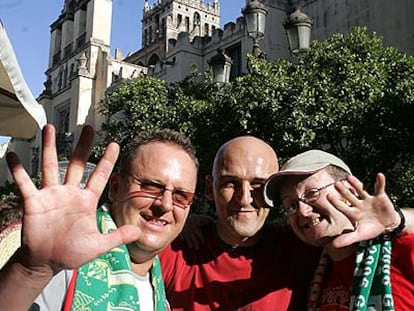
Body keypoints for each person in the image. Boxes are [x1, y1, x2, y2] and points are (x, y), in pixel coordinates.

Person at [0, 123, 199, 311]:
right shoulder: (63, 263)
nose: (165, 204)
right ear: (115, 188)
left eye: (181, 196)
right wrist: (31, 273)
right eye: (151, 187)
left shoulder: (160, 296)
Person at [159, 136, 320, 310]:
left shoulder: (302, 248)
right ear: (209, 188)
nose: (244, 198)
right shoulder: (175, 250)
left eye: (258, 185)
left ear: (274, 192)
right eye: (231, 183)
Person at [263, 149, 414, 310]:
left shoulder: (401, 248)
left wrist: (397, 220)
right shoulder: (309, 270)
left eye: (312, 193)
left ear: (349, 190)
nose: (302, 211)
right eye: (291, 205)